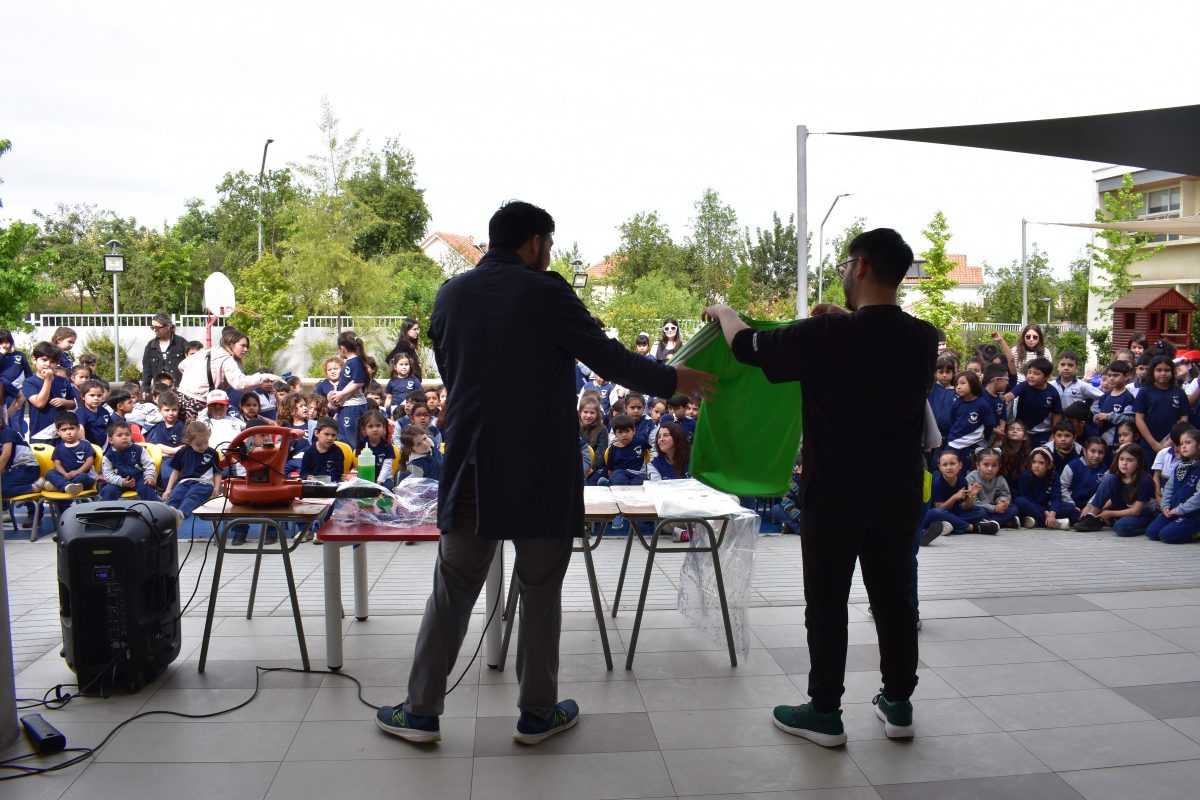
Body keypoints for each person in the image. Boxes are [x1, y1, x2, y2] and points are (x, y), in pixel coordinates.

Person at [376, 200, 713, 747]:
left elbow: (452, 368)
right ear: (535, 242)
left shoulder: (450, 295)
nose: (549, 254)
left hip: (472, 467)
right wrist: (673, 379)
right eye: (549, 244)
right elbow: (608, 359)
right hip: (540, 470)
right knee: (539, 589)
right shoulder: (547, 291)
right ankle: (537, 715)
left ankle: (420, 713)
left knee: (453, 587)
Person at [705, 227, 933, 746]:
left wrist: (723, 313)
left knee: (827, 602)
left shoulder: (827, 338)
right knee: (894, 599)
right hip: (898, 494)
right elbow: (871, 347)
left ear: (863, 266)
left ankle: (825, 711)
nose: (843, 273)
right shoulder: (923, 338)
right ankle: (898, 704)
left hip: (836, 496)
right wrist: (844, 320)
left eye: (846, 264)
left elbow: (746, 347)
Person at [177, 327, 279, 422]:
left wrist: (195, 380)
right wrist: (264, 377)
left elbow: (181, 366)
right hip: (198, 402)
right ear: (231, 344)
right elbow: (240, 383)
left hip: (180, 397)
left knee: (182, 434)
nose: (246, 349)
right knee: (196, 438)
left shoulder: (207, 351)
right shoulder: (227, 359)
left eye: (247, 346)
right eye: (242, 346)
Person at [1073, 443, 1157, 535]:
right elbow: (1115, 497)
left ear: (1138, 463)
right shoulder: (1117, 476)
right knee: (1109, 478)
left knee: (1120, 527)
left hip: (1143, 513)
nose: (1124, 463)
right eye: (1121, 459)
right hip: (1124, 508)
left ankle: (1150, 526)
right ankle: (1092, 517)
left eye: (1130, 460)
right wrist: (1101, 511)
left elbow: (1136, 511)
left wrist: (1111, 513)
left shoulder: (1144, 480)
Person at [1145, 427, 1200, 543]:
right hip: (1174, 511)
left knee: (1167, 536)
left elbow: (1198, 498)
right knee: (1151, 532)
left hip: (1192, 514)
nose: (1183, 446)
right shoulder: (1179, 466)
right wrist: (1165, 506)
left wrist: (1179, 510)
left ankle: (1196, 532)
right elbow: (1169, 488)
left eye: (1188, 443)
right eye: (1181, 444)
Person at [162, 421, 220, 520]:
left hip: (204, 483)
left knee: (192, 496)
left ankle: (180, 514)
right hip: (185, 482)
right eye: (198, 445)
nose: (203, 447)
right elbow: (175, 472)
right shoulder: (182, 452)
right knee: (175, 496)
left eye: (206, 442)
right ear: (189, 442)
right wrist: (168, 489)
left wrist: (217, 487)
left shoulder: (213, 453)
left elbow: (217, 472)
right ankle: (168, 516)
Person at [1135, 355, 1189, 452]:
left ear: (1173, 372)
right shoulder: (1144, 392)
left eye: (1167, 370)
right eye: (1159, 370)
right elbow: (1139, 419)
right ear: (1152, 372)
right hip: (1148, 444)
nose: (1163, 373)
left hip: (1173, 443)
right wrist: (1153, 443)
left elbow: (1183, 418)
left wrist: (1171, 440)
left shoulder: (1179, 392)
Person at [1004, 358, 1062, 448]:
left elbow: (1057, 413)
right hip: (1022, 432)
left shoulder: (1052, 392)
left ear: (1046, 377)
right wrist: (1005, 398)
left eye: (1036, 373)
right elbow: (1011, 394)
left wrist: (1054, 433)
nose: (1031, 376)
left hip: (1043, 433)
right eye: (1029, 372)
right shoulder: (1024, 385)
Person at [1013, 447, 1072, 530]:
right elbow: (1028, 499)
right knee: (1019, 501)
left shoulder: (1054, 476)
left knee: (1070, 507)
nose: (1036, 466)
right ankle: (1054, 523)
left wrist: (1052, 513)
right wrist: (1044, 512)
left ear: (1049, 465)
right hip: (1033, 506)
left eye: (1041, 463)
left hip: (1047, 507)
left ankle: (1037, 522)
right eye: (1034, 462)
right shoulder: (1025, 476)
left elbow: (1056, 497)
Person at [99, 420, 158, 501]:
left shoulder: (139, 450)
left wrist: (149, 476)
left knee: (147, 486)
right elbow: (108, 474)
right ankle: (107, 512)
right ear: (111, 440)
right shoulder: (108, 456)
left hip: (138, 478)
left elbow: (149, 464)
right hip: (118, 481)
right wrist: (121, 482)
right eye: (119, 435)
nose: (124, 437)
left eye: (127, 434)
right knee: (108, 490)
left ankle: (154, 511)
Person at [328, 331, 369, 446]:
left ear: (342, 348)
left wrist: (341, 394)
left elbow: (358, 382)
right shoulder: (349, 362)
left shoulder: (356, 362)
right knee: (342, 439)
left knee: (353, 440)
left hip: (353, 406)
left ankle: (358, 463)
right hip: (345, 406)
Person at [1059, 437, 1109, 524]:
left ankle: (1083, 521)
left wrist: (1090, 506)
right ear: (1085, 451)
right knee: (1064, 510)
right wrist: (1072, 505)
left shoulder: (1105, 471)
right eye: (1092, 451)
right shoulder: (1073, 466)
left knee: (1095, 515)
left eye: (1100, 452)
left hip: (1091, 506)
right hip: (1070, 504)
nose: (1096, 455)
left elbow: (1099, 492)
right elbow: (1062, 486)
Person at [45, 413, 96, 495]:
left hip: (82, 476)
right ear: (58, 431)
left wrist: (77, 472)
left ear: (78, 428)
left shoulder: (85, 445)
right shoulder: (58, 448)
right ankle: (67, 486)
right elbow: (57, 465)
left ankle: (60, 486)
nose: (68, 432)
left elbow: (89, 462)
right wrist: (64, 474)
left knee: (83, 477)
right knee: (49, 473)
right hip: (66, 477)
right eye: (64, 430)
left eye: (72, 428)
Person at [965, 448, 1017, 529]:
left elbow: (1006, 495)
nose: (990, 469)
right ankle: (1002, 521)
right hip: (981, 509)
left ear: (999, 466)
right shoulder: (971, 478)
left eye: (994, 465)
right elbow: (972, 502)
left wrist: (1002, 501)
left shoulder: (1000, 479)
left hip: (995, 509)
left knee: (1013, 508)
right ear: (978, 465)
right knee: (979, 512)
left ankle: (989, 523)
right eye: (986, 465)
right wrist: (993, 508)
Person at [595, 413, 647, 486]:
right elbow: (610, 469)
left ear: (634, 431)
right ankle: (611, 482)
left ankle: (609, 484)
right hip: (620, 473)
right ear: (615, 434)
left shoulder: (641, 442)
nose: (624, 435)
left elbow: (650, 453)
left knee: (644, 482)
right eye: (620, 432)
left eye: (627, 431)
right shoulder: (613, 449)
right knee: (618, 479)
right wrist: (612, 478)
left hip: (638, 474)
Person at [141, 313, 190, 389]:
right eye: (153, 327)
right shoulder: (151, 346)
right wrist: (145, 389)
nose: (155, 330)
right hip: (159, 391)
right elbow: (147, 370)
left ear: (168, 326)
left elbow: (191, 365)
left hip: (179, 388)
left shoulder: (181, 343)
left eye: (158, 327)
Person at [1, 415, 42, 496]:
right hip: (14, 470)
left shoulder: (7, 432)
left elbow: (5, 455)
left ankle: (36, 487)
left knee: (2, 489)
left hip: (28, 468)